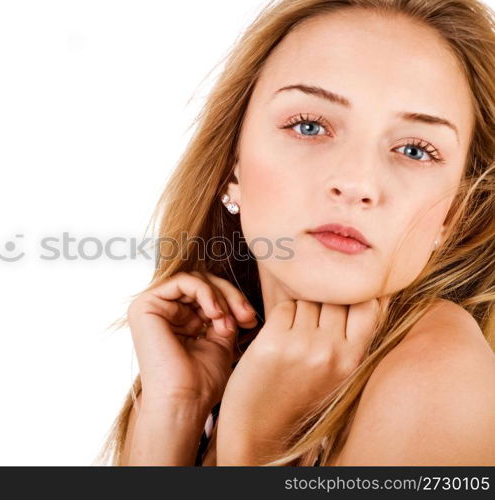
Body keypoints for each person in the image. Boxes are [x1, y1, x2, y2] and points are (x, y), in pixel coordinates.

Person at [95, 0, 495, 466]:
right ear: (232, 164)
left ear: (454, 212)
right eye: (310, 126)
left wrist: (256, 445)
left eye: (414, 149)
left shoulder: (439, 374)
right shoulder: (231, 360)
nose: (357, 182)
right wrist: (175, 413)